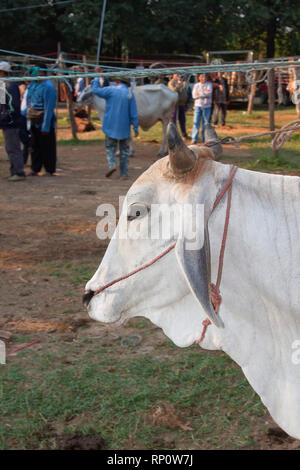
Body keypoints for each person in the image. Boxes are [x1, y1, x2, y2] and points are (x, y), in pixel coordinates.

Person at [91, 76, 138, 179]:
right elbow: (133, 113)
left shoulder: (110, 90)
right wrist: (135, 128)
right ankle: (124, 173)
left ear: (117, 81)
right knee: (124, 151)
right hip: (124, 128)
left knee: (110, 148)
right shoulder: (130, 94)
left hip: (110, 126)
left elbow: (95, 90)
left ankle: (112, 164)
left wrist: (96, 80)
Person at [25, 63, 57, 176]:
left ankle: (49, 169)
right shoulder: (34, 84)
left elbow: (49, 107)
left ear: (42, 72)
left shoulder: (49, 86)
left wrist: (46, 125)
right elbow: (29, 100)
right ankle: (35, 168)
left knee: (47, 146)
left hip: (44, 118)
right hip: (33, 118)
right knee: (35, 146)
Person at [0, 61, 26, 181]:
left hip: (11, 122)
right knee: (10, 147)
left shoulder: (10, 86)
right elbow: (2, 105)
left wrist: (5, 118)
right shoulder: (3, 85)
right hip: (6, 121)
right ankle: (14, 170)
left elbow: (12, 106)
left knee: (13, 147)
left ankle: (18, 172)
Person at [191, 73, 213, 144]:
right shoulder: (196, 85)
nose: (203, 78)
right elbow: (194, 95)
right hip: (198, 105)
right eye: (202, 77)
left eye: (204, 77)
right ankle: (194, 139)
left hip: (207, 106)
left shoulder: (209, 84)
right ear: (199, 78)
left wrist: (199, 94)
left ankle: (205, 139)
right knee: (196, 122)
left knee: (206, 123)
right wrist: (204, 93)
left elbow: (209, 93)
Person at [168, 74, 189, 139]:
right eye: (177, 74)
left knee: (182, 119)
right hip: (175, 103)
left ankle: (184, 134)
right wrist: (179, 85)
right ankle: (173, 135)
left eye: (179, 74)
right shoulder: (171, 82)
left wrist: (185, 86)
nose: (178, 76)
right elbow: (173, 90)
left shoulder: (182, 81)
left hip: (182, 103)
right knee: (173, 119)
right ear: (173, 75)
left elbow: (185, 91)